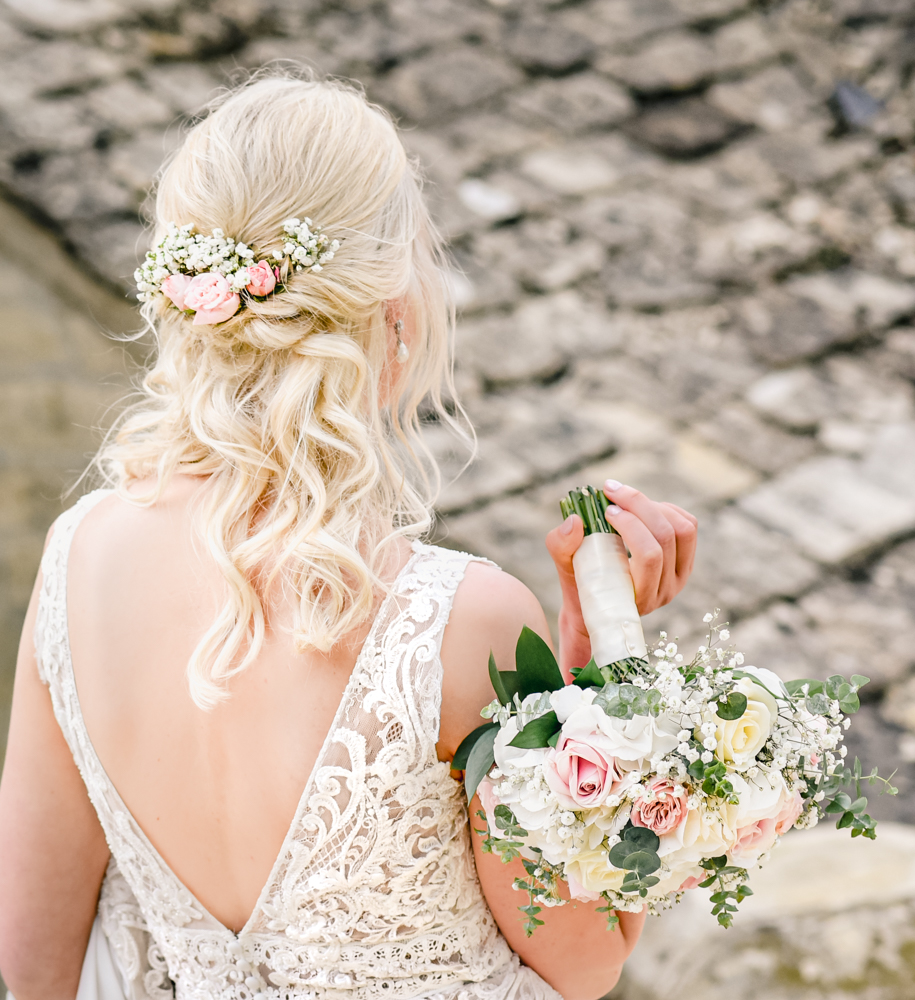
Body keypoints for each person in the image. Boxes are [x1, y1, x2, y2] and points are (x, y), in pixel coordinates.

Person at [0, 72, 697, 1000]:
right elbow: (588, 957)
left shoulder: (76, 557)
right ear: (394, 314)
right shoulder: (465, 625)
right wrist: (608, 662)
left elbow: (30, 963)